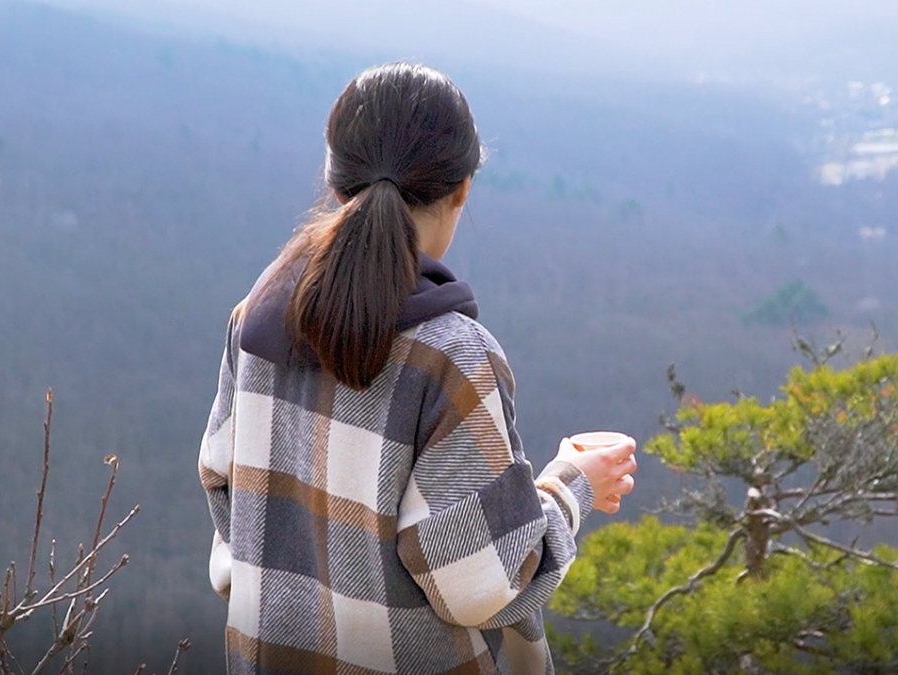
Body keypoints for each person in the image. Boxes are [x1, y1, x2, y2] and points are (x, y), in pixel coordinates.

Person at [197, 62, 637, 675]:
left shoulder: (257, 321)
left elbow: (228, 494)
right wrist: (573, 484)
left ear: (335, 181)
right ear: (461, 190)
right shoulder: (450, 356)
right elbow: (483, 584)